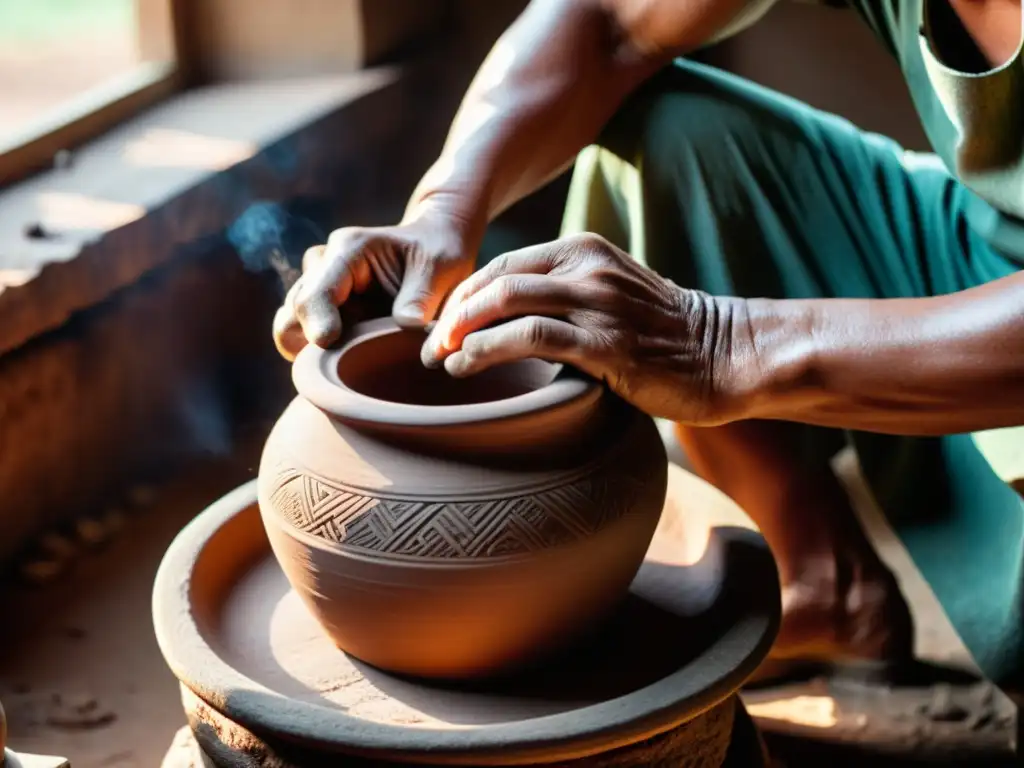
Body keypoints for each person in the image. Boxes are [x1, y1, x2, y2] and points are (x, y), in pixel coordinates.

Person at [273, 0, 1024, 692]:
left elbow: (712, 343)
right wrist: (441, 212)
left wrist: (714, 342)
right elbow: (605, 20)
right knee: (665, 134)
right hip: (990, 250)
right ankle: (821, 583)